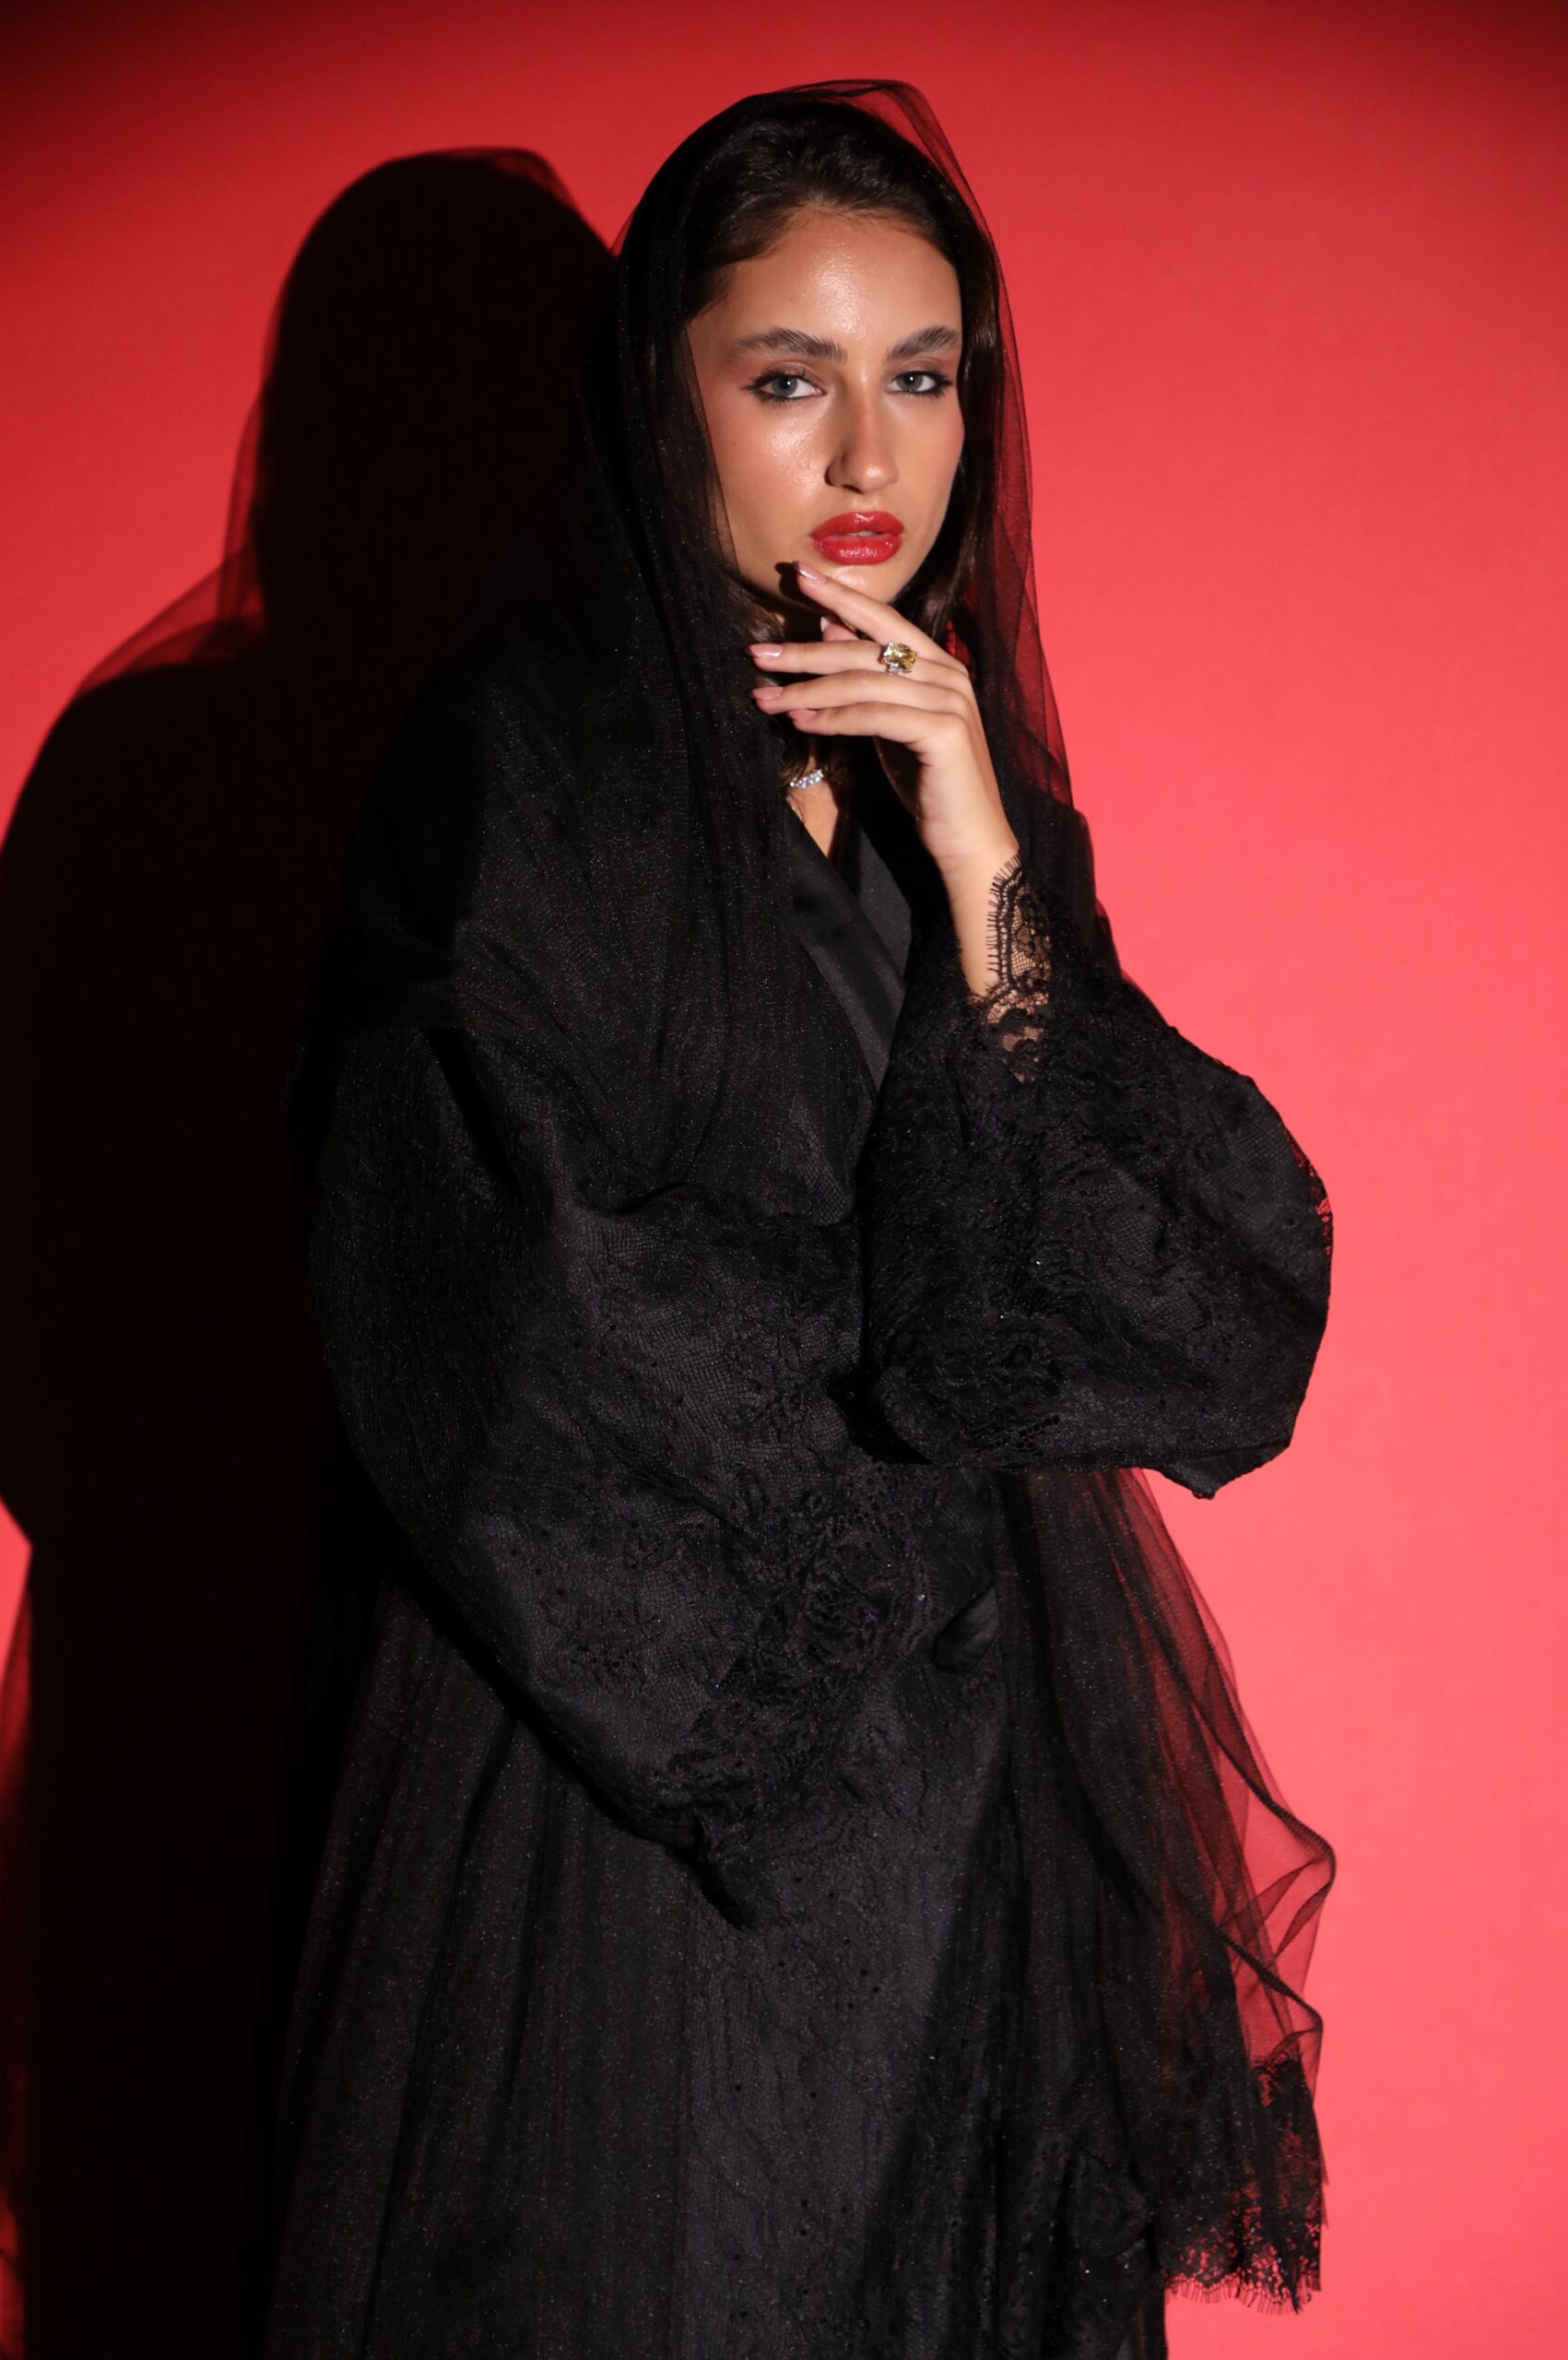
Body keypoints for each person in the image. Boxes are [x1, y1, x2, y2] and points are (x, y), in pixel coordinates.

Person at [256, 79, 1336, 2360]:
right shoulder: (515, 767)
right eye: (786, 378)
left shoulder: (964, 790)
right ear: (661, 397)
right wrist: (873, 1511)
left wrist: (980, 857)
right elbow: (491, 1296)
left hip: (966, 1820)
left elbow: (1151, 1288)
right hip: (632, 1800)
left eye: (921, 377)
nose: (868, 456)